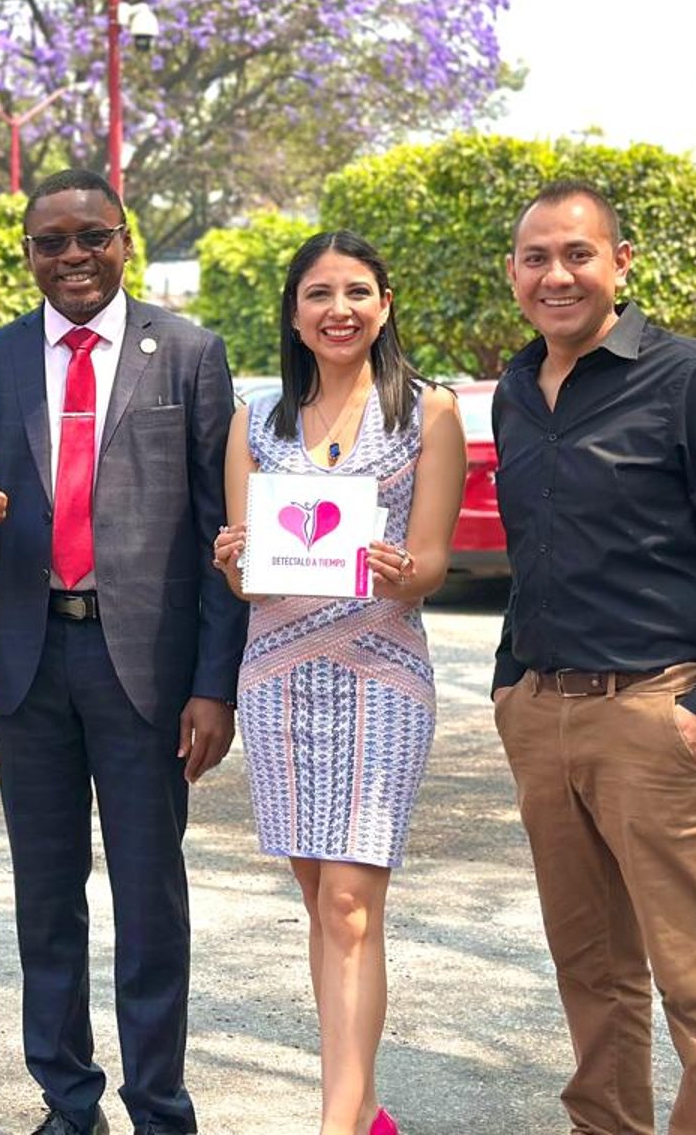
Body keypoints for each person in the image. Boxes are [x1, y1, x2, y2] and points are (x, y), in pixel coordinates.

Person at [0, 169, 248, 1135]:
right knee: (45, 901)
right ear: (28, 253)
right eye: (51, 242)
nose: (73, 256)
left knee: (149, 902)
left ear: (124, 240)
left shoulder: (188, 353)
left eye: (91, 237)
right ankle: (69, 1102)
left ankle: (159, 1108)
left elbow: (219, 531)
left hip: (144, 671)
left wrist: (215, 685)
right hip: (30, 665)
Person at [489, 181, 696, 1135]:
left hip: (658, 715)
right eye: (537, 257)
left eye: (578, 254)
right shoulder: (514, 389)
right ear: (514, 274)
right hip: (543, 713)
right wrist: (509, 687)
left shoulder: (690, 377)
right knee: (589, 968)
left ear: (619, 263)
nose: (557, 275)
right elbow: (532, 552)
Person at [210, 232, 465, 1135]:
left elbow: (430, 565)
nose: (339, 309)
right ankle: (362, 1109)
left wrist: (402, 572)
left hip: (381, 672)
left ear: (385, 306)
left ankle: (337, 1122)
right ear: (293, 314)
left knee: (353, 904)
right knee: (322, 901)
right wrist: (233, 560)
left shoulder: (430, 413)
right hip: (277, 676)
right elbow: (248, 581)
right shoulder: (256, 420)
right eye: (318, 294)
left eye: (358, 291)